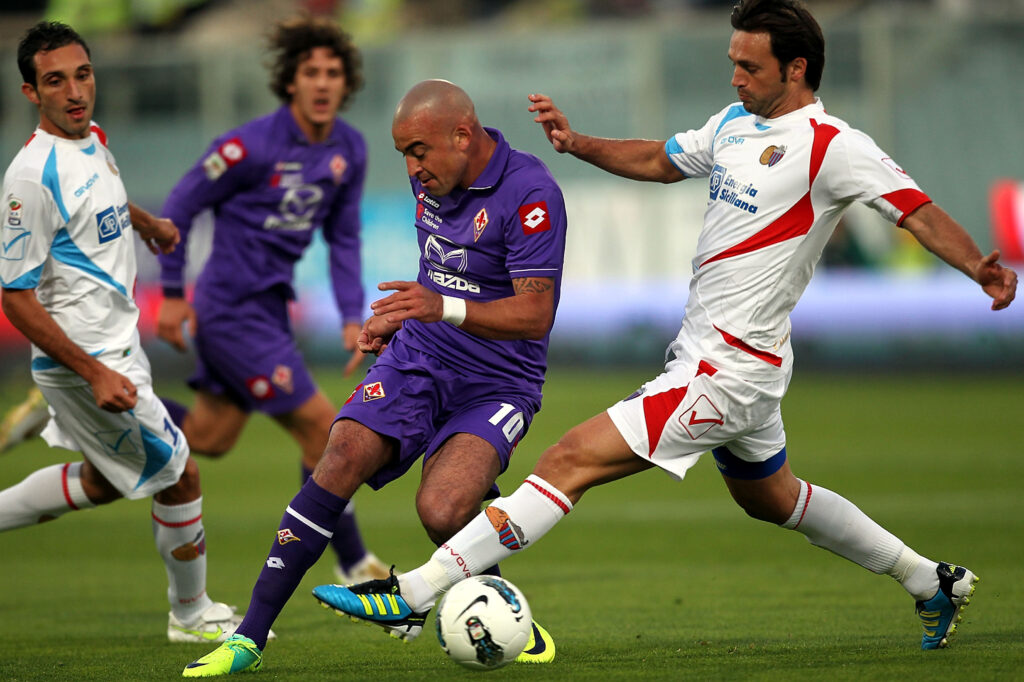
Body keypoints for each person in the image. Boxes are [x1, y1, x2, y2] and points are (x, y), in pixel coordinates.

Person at [317, 0, 1017, 655]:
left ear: (797, 69)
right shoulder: (735, 124)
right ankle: (933, 581)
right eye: (733, 62)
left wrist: (977, 267)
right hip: (729, 360)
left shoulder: (832, 144)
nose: (735, 77)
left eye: (750, 66)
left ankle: (413, 591)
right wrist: (576, 142)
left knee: (567, 461)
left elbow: (914, 208)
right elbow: (659, 160)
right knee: (773, 498)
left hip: (729, 370)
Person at [181, 79, 566, 677]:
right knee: (338, 456)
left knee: (442, 510)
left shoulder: (531, 192)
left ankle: (498, 604)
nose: (411, 167)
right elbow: (439, 267)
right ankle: (248, 637)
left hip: (500, 380)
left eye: (418, 150)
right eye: (402, 154)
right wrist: (396, 318)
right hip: (420, 356)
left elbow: (535, 312)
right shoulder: (431, 179)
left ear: (462, 135)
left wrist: (441, 307)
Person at [0, 20, 252, 644]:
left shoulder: (92, 138)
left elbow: (99, 196)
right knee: (180, 472)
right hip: (86, 361)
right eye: (55, 81)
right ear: (32, 93)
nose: (74, 91)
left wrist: (146, 222)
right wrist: (94, 373)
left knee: (104, 480)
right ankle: (191, 618)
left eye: (82, 75)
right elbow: (15, 295)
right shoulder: (30, 178)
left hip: (116, 349)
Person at [154, 16, 388, 586]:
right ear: (290, 82)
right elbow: (178, 207)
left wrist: (353, 314)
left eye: (333, 72)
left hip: (267, 312)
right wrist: (171, 294)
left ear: (346, 82)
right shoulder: (248, 146)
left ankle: (88, 404)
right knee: (325, 428)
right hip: (230, 310)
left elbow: (344, 237)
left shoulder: (349, 150)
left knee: (209, 438)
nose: (324, 83)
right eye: (311, 72)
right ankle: (356, 563)